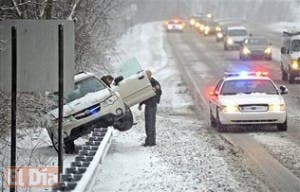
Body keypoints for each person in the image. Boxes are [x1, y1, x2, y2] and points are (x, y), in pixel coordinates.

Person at [138, 70, 162, 146]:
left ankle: (151, 141)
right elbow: (144, 94)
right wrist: (140, 104)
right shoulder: (146, 83)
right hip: (148, 105)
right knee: (148, 124)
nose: (146, 77)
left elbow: (159, 92)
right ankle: (149, 141)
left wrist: (156, 89)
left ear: (149, 75)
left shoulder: (155, 83)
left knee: (151, 123)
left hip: (152, 106)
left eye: (146, 75)